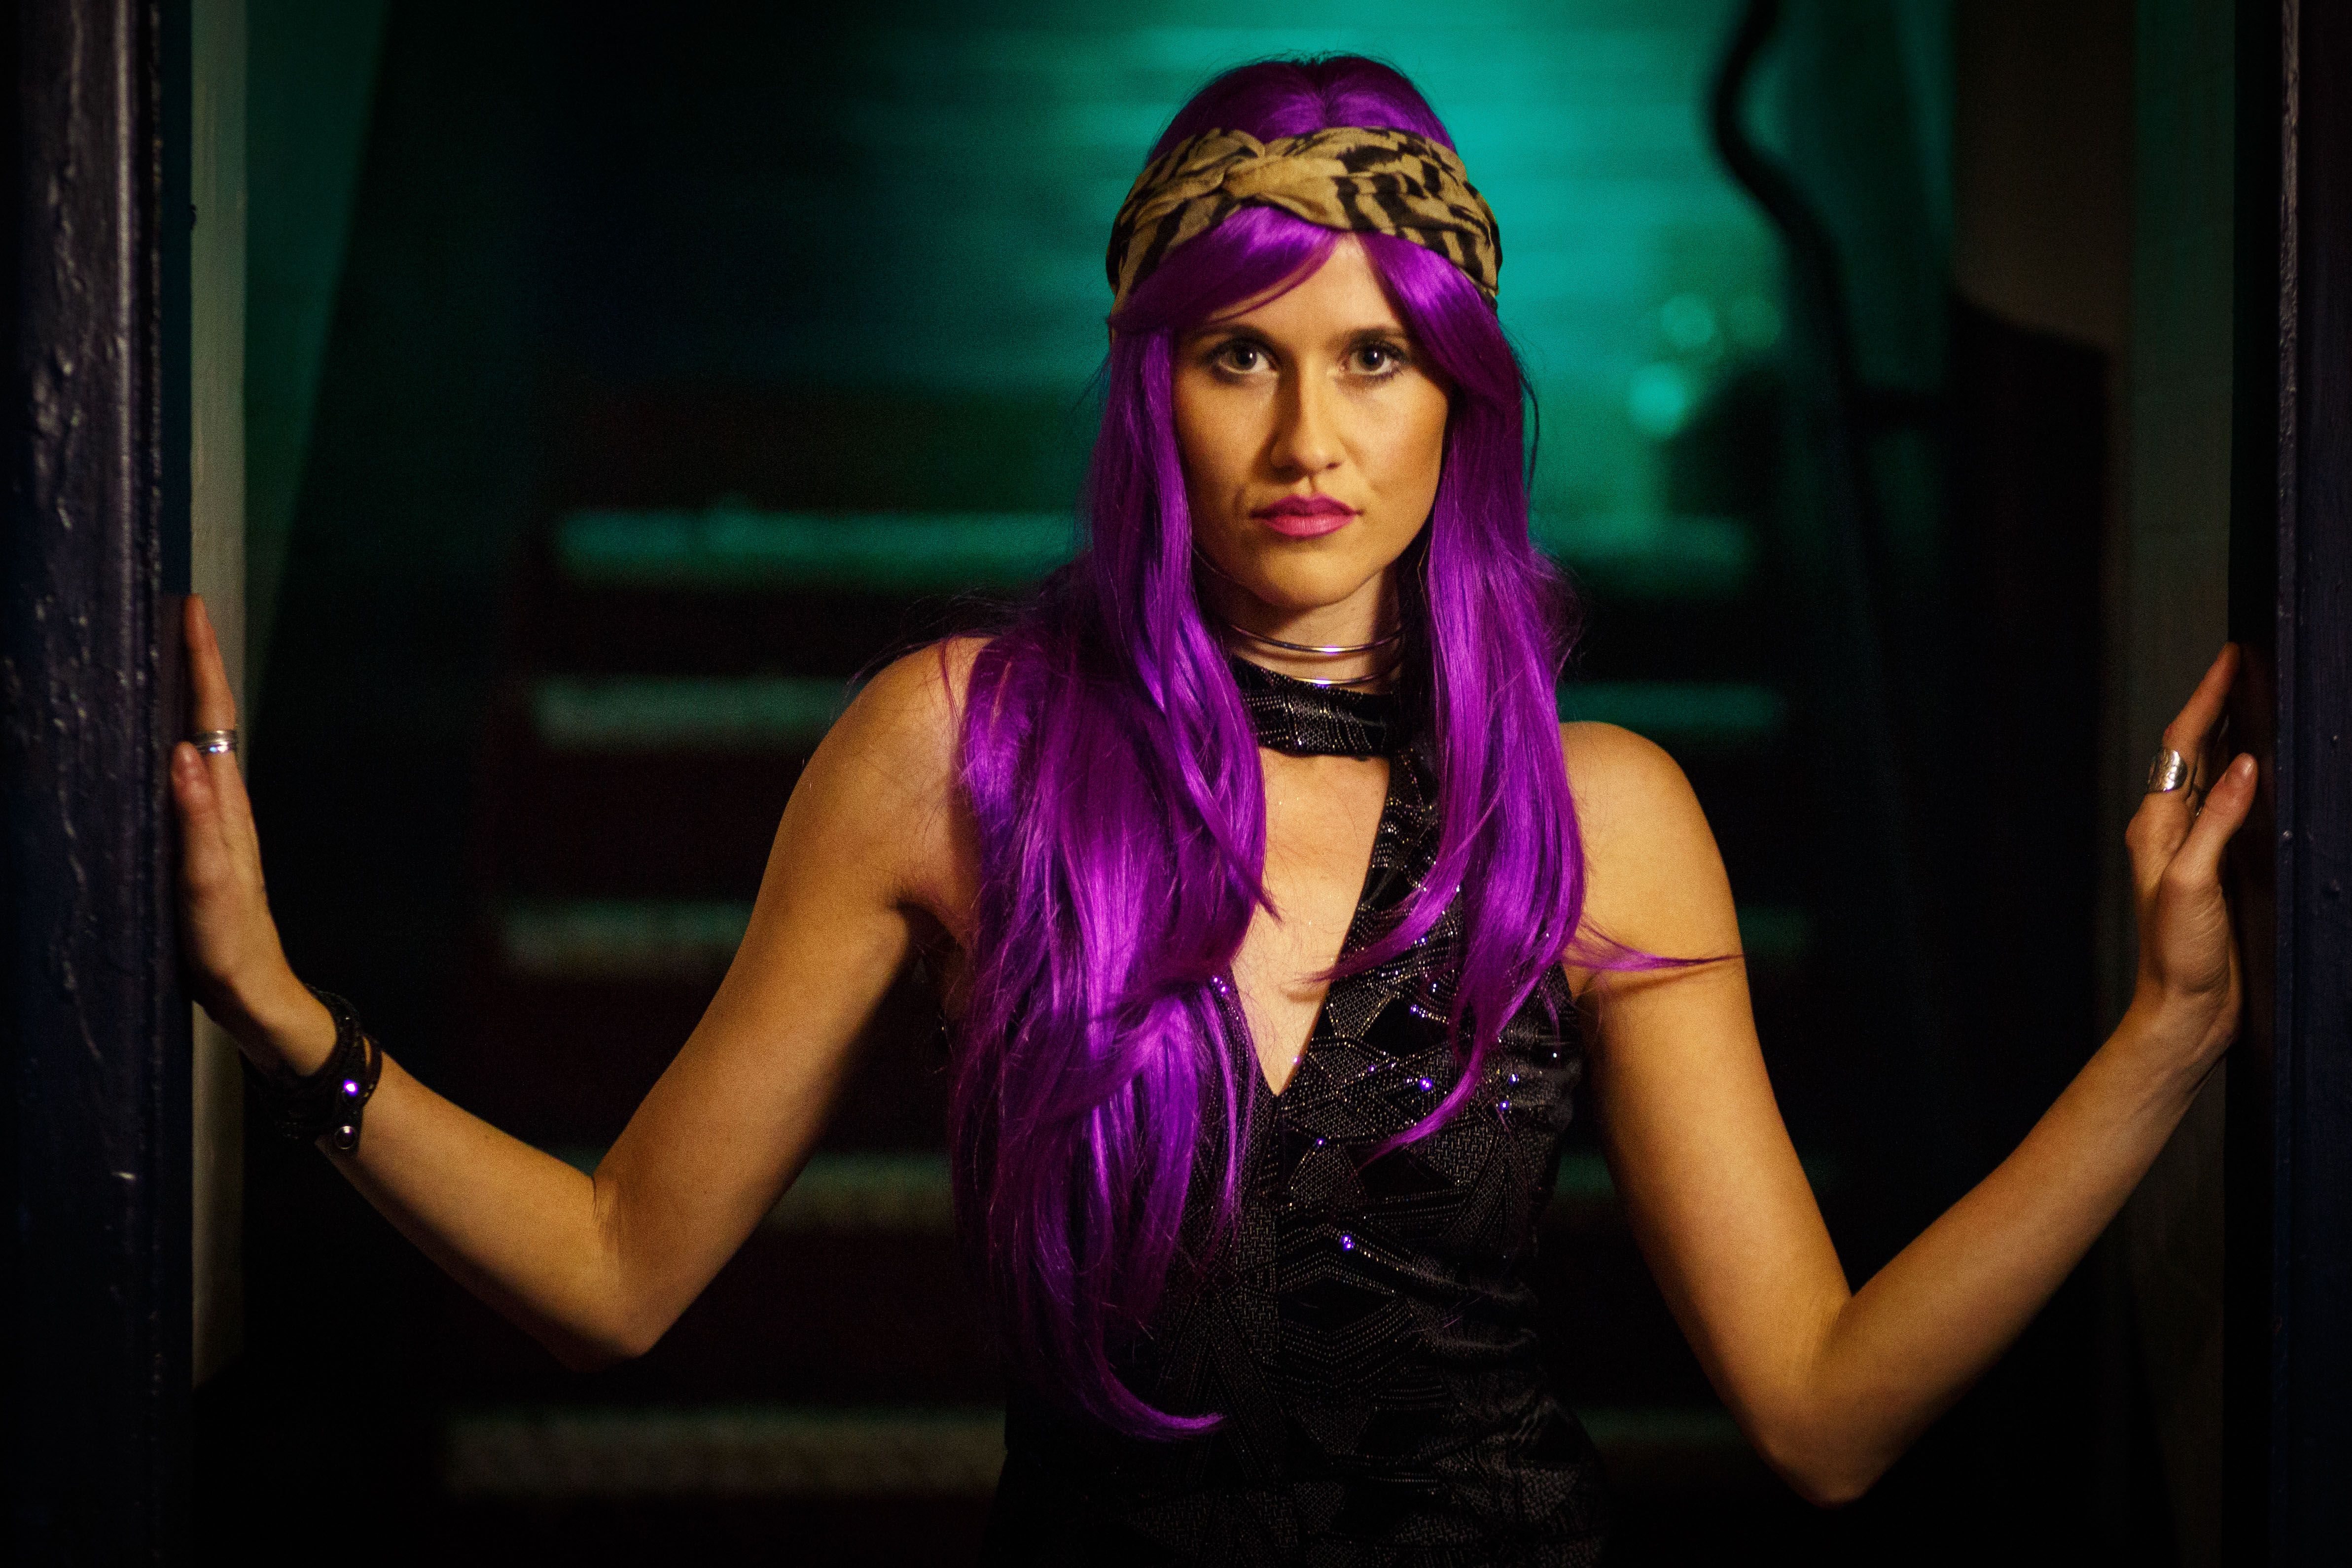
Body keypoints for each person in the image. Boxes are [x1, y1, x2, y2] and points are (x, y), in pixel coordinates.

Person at [174, 55, 2253, 1568]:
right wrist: (284, 1021)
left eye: (1370, 360)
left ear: (1458, 396)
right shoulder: (952, 747)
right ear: (1145, 390)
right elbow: (620, 1270)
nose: (1306, 435)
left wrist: (2158, 1050)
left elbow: (1816, 1412)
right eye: (1236, 358)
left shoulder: (1598, 814)